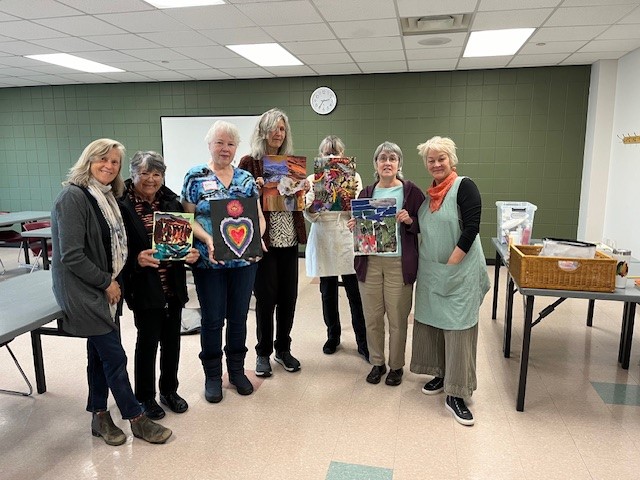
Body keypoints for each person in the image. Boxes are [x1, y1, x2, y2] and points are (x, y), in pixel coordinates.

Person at [51, 138, 171, 446]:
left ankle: (99, 415)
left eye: (115, 161)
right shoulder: (73, 197)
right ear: (88, 161)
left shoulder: (106, 196)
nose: (109, 165)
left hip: (105, 290)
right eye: (102, 159)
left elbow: (113, 245)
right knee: (115, 356)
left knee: (99, 355)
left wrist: (113, 280)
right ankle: (136, 419)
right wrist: (107, 281)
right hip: (85, 291)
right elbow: (71, 255)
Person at [182, 120, 266, 403]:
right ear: (209, 145)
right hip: (210, 261)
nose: (225, 149)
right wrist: (206, 238)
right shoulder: (195, 177)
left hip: (244, 261)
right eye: (219, 143)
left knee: (239, 317)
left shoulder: (245, 179)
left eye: (230, 144)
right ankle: (213, 376)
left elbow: (258, 217)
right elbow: (188, 218)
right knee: (212, 319)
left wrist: (258, 237)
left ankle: (237, 371)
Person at [410, 136, 490, 426]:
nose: (436, 164)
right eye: (431, 160)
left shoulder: (464, 187)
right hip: (434, 272)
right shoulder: (429, 194)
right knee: (434, 324)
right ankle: (441, 375)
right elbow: (423, 227)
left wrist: (451, 267)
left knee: (458, 329)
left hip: (460, 271)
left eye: (441, 158)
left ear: (451, 160)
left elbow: (471, 230)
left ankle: (456, 393)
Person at [119, 151, 200, 420]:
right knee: (148, 343)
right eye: (144, 173)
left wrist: (191, 254)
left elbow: (183, 241)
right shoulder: (123, 205)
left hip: (173, 285)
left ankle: (169, 391)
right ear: (133, 174)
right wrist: (135, 260)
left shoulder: (171, 201)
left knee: (172, 343)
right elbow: (115, 250)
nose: (151, 179)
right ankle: (145, 397)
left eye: (156, 173)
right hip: (144, 287)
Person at [239, 108, 307, 377]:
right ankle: (263, 353)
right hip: (264, 242)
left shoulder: (291, 164)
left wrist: (305, 190)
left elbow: (293, 202)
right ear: (262, 131)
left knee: (288, 298)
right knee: (266, 300)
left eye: (282, 129)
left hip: (289, 239)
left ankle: (283, 349)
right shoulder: (249, 162)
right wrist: (252, 190)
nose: (278, 133)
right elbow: (237, 203)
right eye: (273, 128)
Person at [350, 141, 425, 387]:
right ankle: (377, 362)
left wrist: (410, 221)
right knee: (372, 317)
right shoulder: (366, 193)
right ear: (375, 164)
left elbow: (425, 224)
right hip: (370, 263)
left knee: (397, 318)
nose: (387, 163)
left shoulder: (412, 192)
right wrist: (354, 226)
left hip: (398, 266)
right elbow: (361, 229)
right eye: (382, 158)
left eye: (393, 158)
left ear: (399, 164)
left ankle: (396, 366)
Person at [304, 135, 368, 359]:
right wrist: (311, 203)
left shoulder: (354, 175)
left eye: (336, 152)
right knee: (327, 291)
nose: (331, 156)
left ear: (343, 155)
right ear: (320, 155)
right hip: (323, 234)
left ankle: (363, 340)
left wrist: (351, 204)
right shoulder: (313, 178)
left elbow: (359, 206)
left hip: (346, 233)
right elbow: (309, 214)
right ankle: (333, 336)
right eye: (326, 153)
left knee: (354, 291)